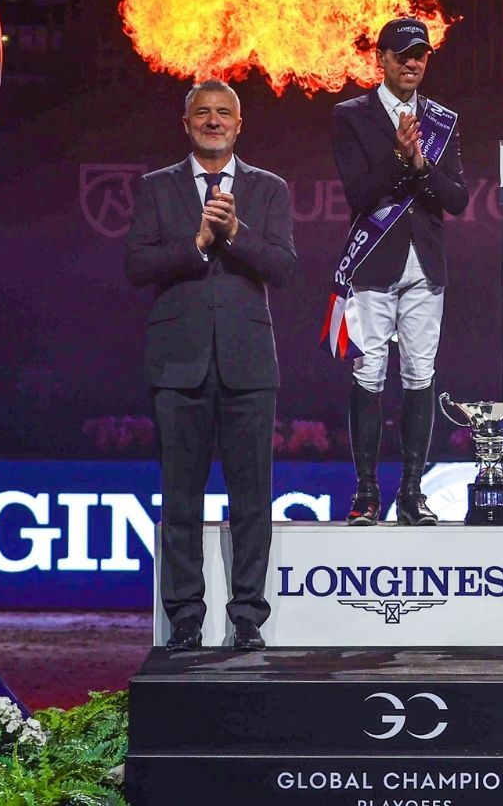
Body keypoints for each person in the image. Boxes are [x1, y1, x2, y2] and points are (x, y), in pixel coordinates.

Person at [125, 81, 297, 651]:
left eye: (225, 113)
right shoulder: (156, 188)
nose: (214, 121)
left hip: (249, 367)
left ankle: (248, 617)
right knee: (180, 501)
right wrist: (198, 242)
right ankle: (184, 621)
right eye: (203, 113)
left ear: (240, 124)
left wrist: (234, 234)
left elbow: (283, 267)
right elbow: (137, 266)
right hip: (178, 367)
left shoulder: (269, 189)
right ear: (186, 122)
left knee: (252, 500)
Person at [328, 18, 469, 526]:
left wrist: (422, 164)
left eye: (421, 55)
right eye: (403, 54)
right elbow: (360, 194)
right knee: (368, 371)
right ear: (381, 58)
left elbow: (457, 199)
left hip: (425, 267)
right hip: (373, 265)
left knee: (420, 373)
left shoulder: (443, 120)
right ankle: (366, 493)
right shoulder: (351, 116)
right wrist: (400, 156)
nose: (413, 63)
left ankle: (411, 493)